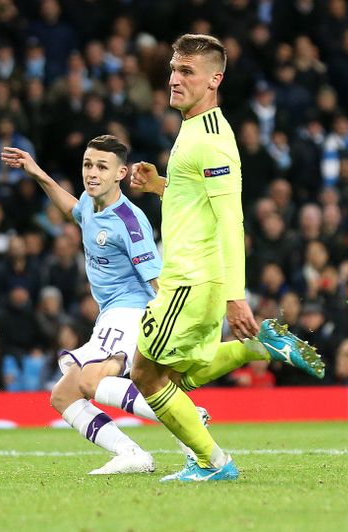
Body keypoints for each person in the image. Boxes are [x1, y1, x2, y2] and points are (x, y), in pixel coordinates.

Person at [127, 34, 324, 482]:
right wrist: (159, 184)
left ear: (215, 79)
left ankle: (214, 463)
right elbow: (192, 199)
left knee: (146, 375)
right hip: (193, 278)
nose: (174, 80)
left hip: (192, 280)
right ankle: (257, 348)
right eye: (174, 70)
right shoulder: (193, 129)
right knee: (178, 376)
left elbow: (231, 221)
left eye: (187, 72)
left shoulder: (212, 140)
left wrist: (237, 298)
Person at [2, 135, 163, 475]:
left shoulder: (129, 224)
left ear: (121, 173)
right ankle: (131, 453)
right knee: (63, 396)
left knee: (91, 380)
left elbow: (155, 280)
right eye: (88, 165)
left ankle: (180, 410)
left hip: (131, 312)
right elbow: (73, 210)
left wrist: (168, 326)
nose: (92, 173)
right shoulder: (91, 205)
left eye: (101, 167)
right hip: (110, 314)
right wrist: (37, 173)